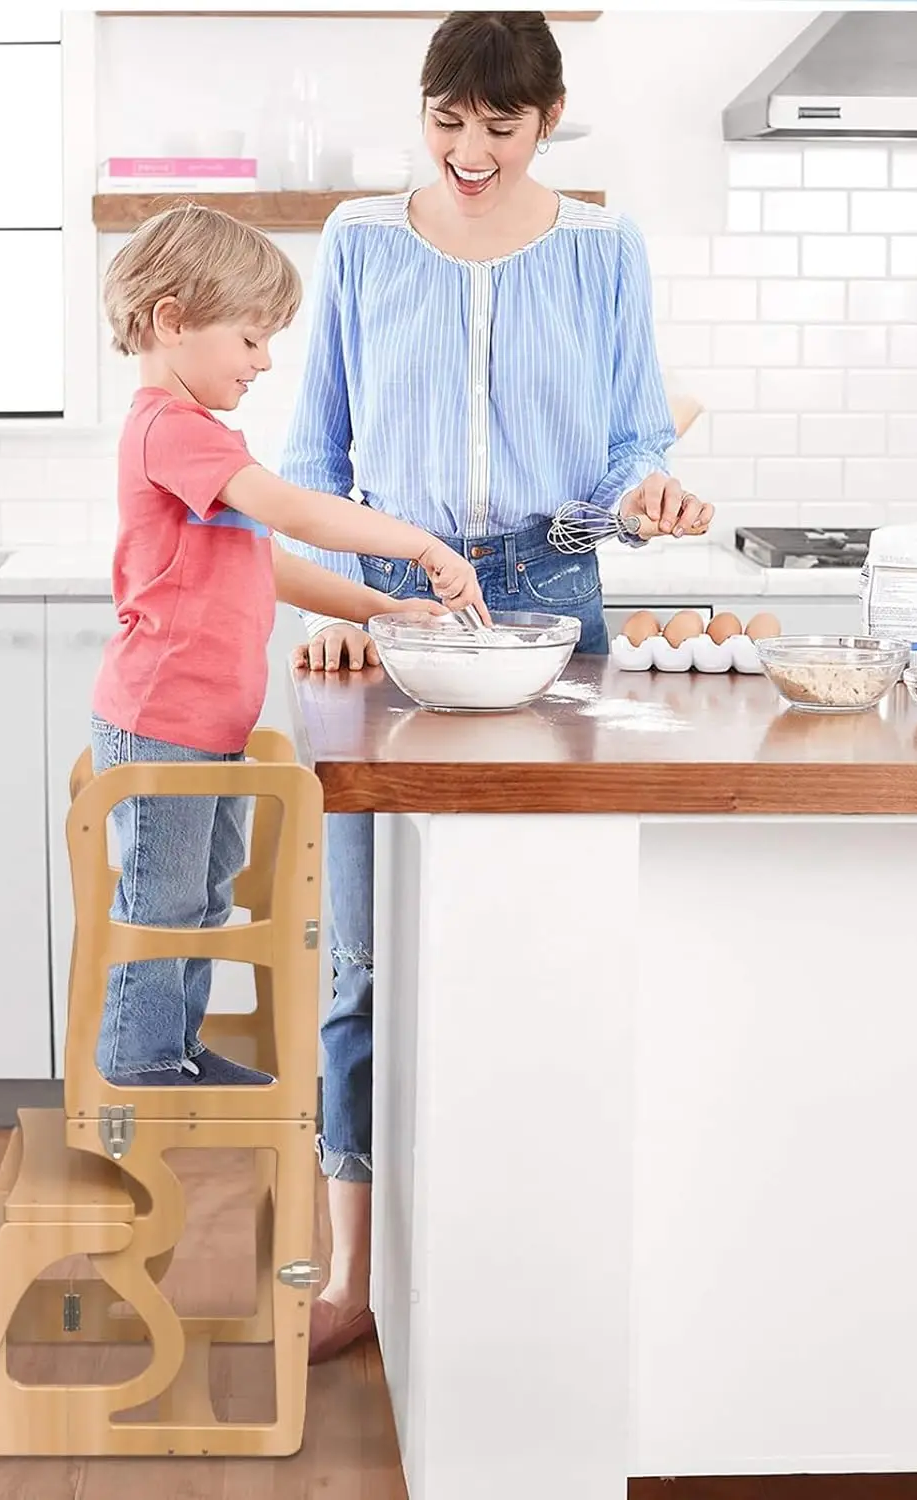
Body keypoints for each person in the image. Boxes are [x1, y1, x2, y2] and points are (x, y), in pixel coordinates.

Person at [277, 10, 715, 1360]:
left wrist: (646, 501)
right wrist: (349, 609)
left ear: (551, 116)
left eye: (500, 125)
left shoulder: (601, 247)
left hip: (552, 599)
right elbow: (314, 459)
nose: (470, 150)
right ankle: (353, 1278)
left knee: (552, 933)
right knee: (357, 955)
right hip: (392, 604)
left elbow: (630, 454)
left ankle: (534, 1260)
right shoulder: (358, 239)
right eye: (447, 119)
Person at [89, 203, 489, 1088]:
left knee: (200, 897)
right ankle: (140, 1061)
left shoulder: (203, 440)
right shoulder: (171, 429)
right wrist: (419, 545)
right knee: (163, 903)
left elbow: (266, 561)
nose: (265, 362)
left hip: (201, 723)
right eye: (251, 339)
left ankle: (177, 1048)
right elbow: (296, 511)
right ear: (172, 320)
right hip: (162, 720)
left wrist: (382, 606)